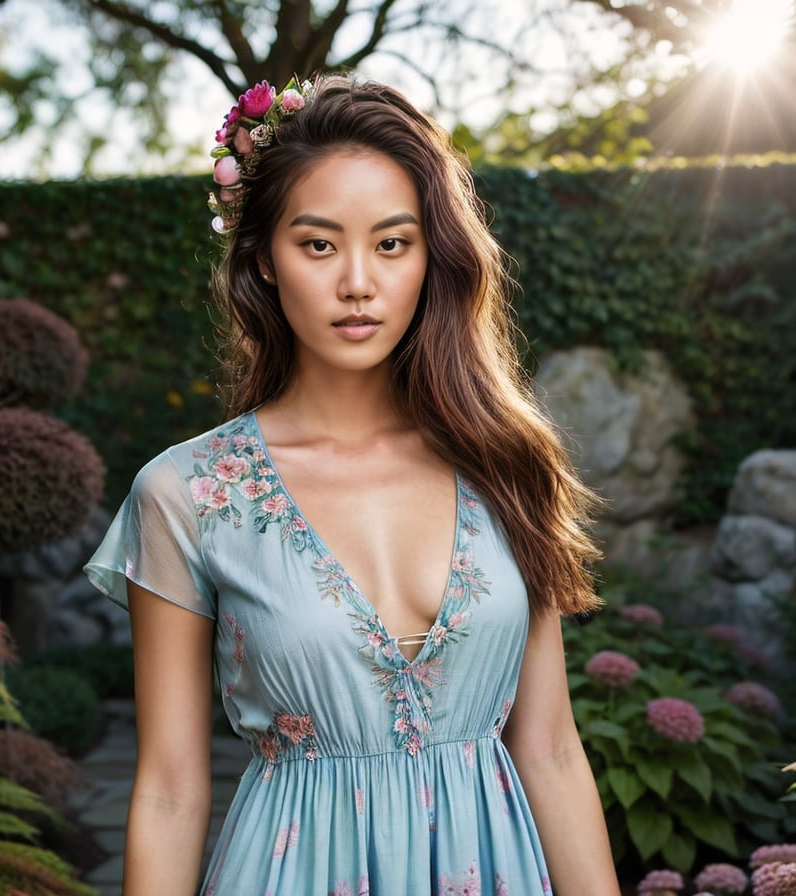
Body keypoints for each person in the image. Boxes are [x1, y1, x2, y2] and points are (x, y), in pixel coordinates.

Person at [85, 73, 622, 896]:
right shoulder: (189, 494)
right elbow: (167, 789)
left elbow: (547, 748)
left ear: (431, 257)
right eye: (319, 243)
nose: (359, 283)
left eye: (393, 243)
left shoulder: (507, 462)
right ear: (264, 258)